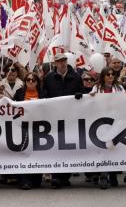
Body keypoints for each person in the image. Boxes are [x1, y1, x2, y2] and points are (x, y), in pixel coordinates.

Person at [43, 52, 83, 188]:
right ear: (55, 63)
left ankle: (65, 176)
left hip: (71, 117)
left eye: (64, 60)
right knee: (55, 146)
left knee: (68, 146)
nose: (62, 63)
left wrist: (79, 96)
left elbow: (82, 93)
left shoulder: (76, 77)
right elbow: (45, 95)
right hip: (54, 118)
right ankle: (56, 176)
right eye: (59, 61)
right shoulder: (49, 78)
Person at [12, 72, 46, 190]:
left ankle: (36, 179)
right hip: (23, 127)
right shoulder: (19, 93)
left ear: (37, 82)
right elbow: (12, 107)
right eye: (28, 80)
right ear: (25, 82)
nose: (31, 82)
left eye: (33, 80)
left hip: (39, 128)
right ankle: (24, 180)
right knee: (24, 153)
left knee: (37, 154)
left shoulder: (43, 93)